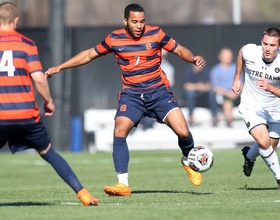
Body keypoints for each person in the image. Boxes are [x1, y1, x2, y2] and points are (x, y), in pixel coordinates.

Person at [45, 3, 205, 196]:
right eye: (135, 21)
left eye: (142, 21)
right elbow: (88, 55)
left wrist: (192, 58)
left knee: (184, 132)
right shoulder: (114, 38)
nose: (139, 25)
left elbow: (179, 50)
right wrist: (60, 67)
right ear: (125, 21)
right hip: (132, 95)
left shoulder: (155, 34)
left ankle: (188, 159)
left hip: (159, 93)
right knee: (119, 131)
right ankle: (123, 184)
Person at [0, 2, 98, 206]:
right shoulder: (26, 44)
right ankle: (84, 194)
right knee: (48, 152)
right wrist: (49, 101)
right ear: (16, 21)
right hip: (26, 114)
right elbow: (38, 78)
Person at [232, 27, 280, 188]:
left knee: (270, 146)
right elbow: (241, 54)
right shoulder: (250, 51)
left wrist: (272, 88)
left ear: (278, 46)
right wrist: (237, 78)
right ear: (261, 42)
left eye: (272, 45)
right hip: (251, 106)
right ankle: (279, 177)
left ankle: (249, 156)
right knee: (264, 141)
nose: (267, 48)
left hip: (275, 109)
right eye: (265, 44)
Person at [210, 47, 239, 127]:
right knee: (227, 104)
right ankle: (229, 123)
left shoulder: (236, 68)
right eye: (225, 56)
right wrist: (229, 94)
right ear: (220, 57)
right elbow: (215, 87)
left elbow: (242, 83)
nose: (227, 58)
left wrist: (235, 93)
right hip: (224, 95)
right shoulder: (215, 70)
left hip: (237, 94)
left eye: (229, 56)